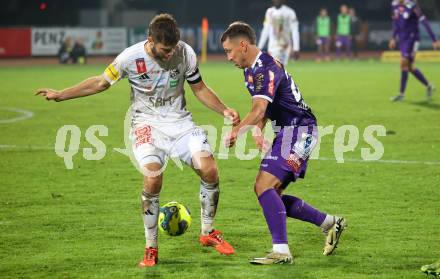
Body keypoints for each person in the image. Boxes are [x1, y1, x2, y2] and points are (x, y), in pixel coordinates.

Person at [36, 13, 239, 267]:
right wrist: (61, 94)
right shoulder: (129, 58)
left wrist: (224, 110)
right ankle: (151, 248)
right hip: (146, 126)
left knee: (209, 169)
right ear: (150, 40)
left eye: (172, 49)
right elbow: (100, 83)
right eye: (165, 50)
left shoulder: (185, 53)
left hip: (180, 124)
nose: (169, 54)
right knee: (153, 179)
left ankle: (208, 232)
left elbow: (199, 88)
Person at [221, 21, 346, 265]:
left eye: (229, 50)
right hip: (288, 132)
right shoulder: (250, 70)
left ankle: (281, 251)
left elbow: (258, 109)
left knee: (264, 186)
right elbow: (263, 108)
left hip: (300, 131)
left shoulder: (266, 68)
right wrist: (258, 129)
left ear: (243, 45)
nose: (228, 57)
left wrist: (237, 130)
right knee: (271, 193)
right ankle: (330, 223)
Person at [389, 0, 440, 102]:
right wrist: (393, 38)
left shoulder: (412, 6)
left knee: (403, 62)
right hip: (403, 40)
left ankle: (401, 94)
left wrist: (434, 39)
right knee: (410, 67)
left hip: (412, 39)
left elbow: (424, 21)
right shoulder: (394, 5)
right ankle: (429, 86)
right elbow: (396, 22)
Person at [257, 0, 300, 65]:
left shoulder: (290, 12)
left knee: (277, 69)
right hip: (272, 46)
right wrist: (259, 47)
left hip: (284, 46)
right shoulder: (269, 12)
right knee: (276, 70)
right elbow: (265, 30)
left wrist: (296, 48)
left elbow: (295, 30)